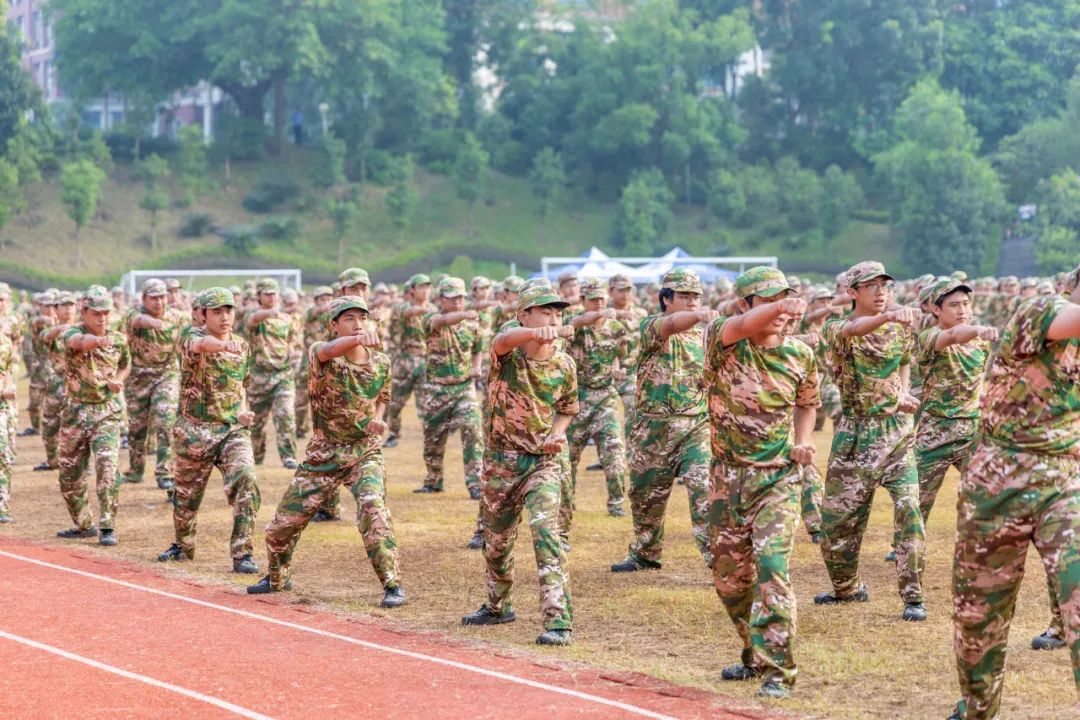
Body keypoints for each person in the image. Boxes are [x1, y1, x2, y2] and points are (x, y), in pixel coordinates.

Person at [950, 265, 1080, 720]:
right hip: (998, 481)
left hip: (1065, 481)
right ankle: (977, 708)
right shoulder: (1039, 310)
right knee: (979, 617)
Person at [703, 267, 817, 699]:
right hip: (727, 479)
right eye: (769, 301)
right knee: (730, 583)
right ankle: (753, 651)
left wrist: (802, 441)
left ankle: (778, 673)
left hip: (777, 479)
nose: (780, 310)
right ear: (744, 305)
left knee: (772, 568)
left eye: (785, 300)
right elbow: (743, 325)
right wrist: (777, 307)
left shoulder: (800, 354)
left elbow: (807, 403)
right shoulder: (724, 340)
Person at [249, 296, 405, 608]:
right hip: (324, 453)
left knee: (373, 511)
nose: (358, 324)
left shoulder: (381, 362)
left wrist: (377, 418)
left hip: (363, 452)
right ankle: (277, 577)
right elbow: (330, 350)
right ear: (333, 326)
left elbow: (382, 396)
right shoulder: (322, 354)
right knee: (282, 525)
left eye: (362, 318)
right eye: (349, 319)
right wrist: (357, 339)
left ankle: (393, 585)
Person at [461, 284, 577, 647]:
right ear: (523, 315)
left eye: (558, 313)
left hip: (543, 463)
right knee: (496, 543)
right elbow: (502, 340)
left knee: (546, 534)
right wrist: (534, 334)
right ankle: (498, 607)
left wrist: (557, 433)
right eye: (545, 312)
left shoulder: (564, 363)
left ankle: (558, 621)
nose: (553, 319)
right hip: (501, 463)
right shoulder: (508, 354)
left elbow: (567, 408)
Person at [814, 261, 927, 622]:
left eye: (886, 286)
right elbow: (854, 328)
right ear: (852, 292)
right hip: (854, 433)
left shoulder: (899, 328)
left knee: (909, 510)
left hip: (895, 433)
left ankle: (913, 596)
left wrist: (903, 392)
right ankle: (846, 588)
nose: (881, 293)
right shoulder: (836, 328)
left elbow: (904, 360)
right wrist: (889, 316)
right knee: (837, 523)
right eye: (872, 286)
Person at [611, 268, 716, 572]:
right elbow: (670, 324)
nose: (692, 301)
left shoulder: (707, 336)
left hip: (695, 426)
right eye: (684, 296)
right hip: (652, 428)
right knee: (646, 498)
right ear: (666, 299)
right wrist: (698, 316)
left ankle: (720, 559)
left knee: (704, 488)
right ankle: (646, 553)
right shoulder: (652, 326)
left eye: (696, 296)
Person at [158, 287, 261, 574]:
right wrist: (222, 346)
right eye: (217, 312)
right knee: (186, 499)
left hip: (231, 430)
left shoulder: (242, 346)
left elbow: (242, 386)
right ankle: (182, 545)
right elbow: (201, 345)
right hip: (194, 432)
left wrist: (243, 410)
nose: (225, 317)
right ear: (203, 315)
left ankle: (243, 553)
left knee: (246, 478)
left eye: (228, 310)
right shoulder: (191, 337)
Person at [56, 288, 130, 547]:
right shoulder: (72, 333)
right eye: (97, 313)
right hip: (75, 412)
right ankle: (82, 524)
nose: (102, 318)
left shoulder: (118, 338)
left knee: (107, 466)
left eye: (106, 313)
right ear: (84, 312)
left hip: (106, 412)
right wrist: (99, 341)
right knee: (69, 474)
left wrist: (117, 380)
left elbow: (125, 364)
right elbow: (79, 343)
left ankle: (107, 525)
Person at [566, 278, 629, 521]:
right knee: (568, 457)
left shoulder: (616, 328)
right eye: (593, 300)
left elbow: (617, 355)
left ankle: (617, 503)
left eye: (602, 299)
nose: (599, 303)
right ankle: (566, 503)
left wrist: (617, 368)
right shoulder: (574, 324)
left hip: (605, 397)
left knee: (614, 453)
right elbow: (575, 323)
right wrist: (594, 316)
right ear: (582, 301)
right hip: (576, 398)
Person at [415, 277, 485, 497]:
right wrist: (463, 315)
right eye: (452, 298)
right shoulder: (431, 319)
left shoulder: (472, 326)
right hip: (436, 390)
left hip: (464, 388)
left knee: (472, 429)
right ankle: (434, 480)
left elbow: (478, 349)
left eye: (461, 298)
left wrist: (476, 367)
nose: (457, 302)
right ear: (441, 299)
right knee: (433, 439)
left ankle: (476, 484)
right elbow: (442, 321)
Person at [123, 278, 185, 490]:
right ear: (144, 299)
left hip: (166, 375)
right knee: (137, 429)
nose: (159, 302)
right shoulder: (133, 314)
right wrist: (155, 323)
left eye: (162, 297)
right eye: (154, 298)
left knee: (166, 421)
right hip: (138, 378)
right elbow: (138, 321)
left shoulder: (177, 317)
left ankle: (165, 472)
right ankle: (135, 471)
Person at [245, 278, 299, 469]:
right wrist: (270, 313)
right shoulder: (252, 316)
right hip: (258, 378)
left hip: (283, 375)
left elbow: (292, 341)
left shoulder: (287, 320)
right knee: (256, 424)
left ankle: (288, 456)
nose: (271, 297)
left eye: (274, 293)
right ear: (259, 296)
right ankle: (257, 456)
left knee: (285, 414)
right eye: (267, 294)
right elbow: (253, 320)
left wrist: (293, 353)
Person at [385, 274, 435, 447]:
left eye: (428, 287)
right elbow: (409, 312)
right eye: (421, 287)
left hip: (426, 362)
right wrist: (428, 311)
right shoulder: (402, 307)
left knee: (426, 404)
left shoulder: (433, 309)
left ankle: (431, 438)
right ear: (412, 290)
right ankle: (394, 435)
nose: (426, 291)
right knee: (395, 403)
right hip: (405, 362)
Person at [0, 318, 16, 522]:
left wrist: (9, 386)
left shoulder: (4, 342)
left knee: (3, 455)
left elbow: (7, 370)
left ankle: (2, 506)